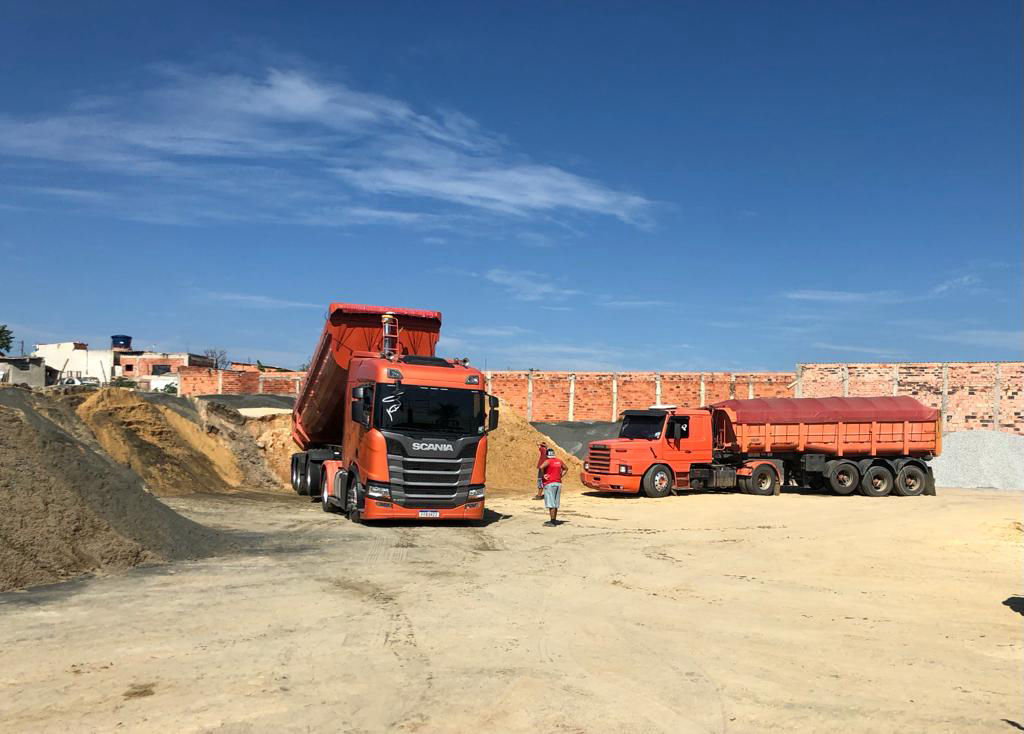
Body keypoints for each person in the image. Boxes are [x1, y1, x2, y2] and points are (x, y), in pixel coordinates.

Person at [539, 448, 567, 527]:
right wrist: (560, 476)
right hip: (558, 483)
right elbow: (566, 468)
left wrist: (544, 475)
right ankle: (554, 520)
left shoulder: (548, 461)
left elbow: (541, 467)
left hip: (550, 483)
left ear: (547, 455)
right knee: (555, 503)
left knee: (551, 503)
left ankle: (552, 522)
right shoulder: (559, 461)